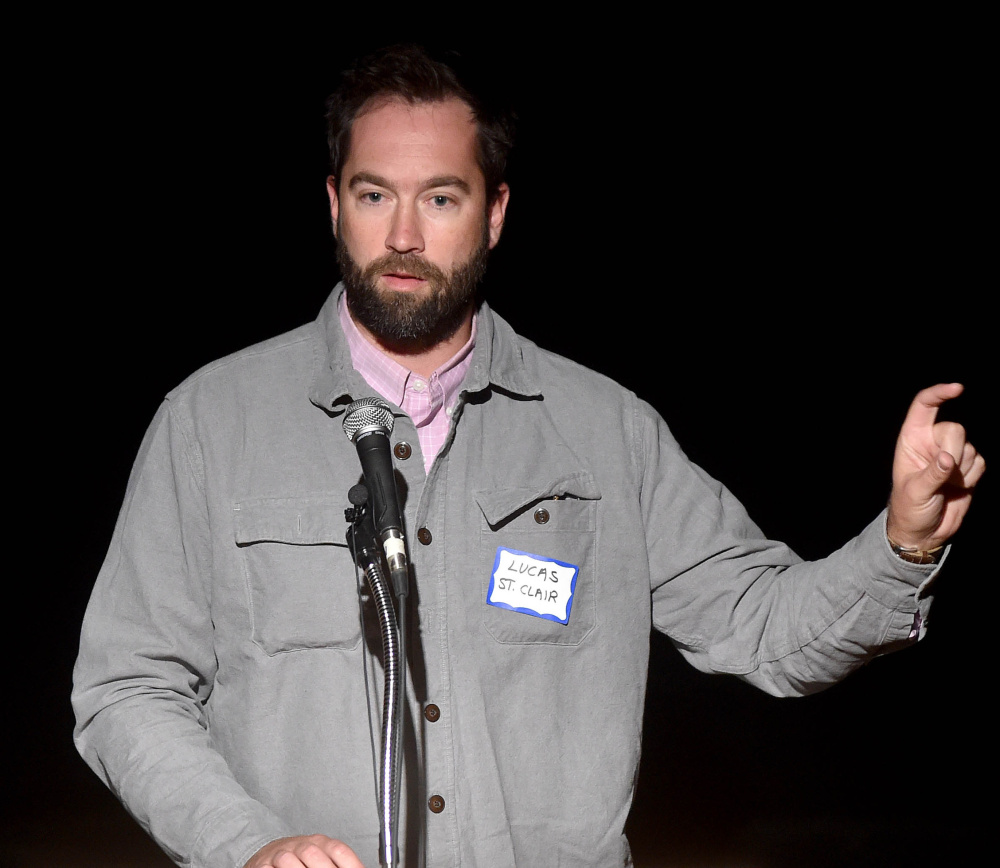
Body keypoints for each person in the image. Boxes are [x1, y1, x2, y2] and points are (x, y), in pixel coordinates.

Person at [72, 44, 984, 868]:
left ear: (496, 212)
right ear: (333, 203)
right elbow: (125, 688)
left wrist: (901, 541)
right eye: (373, 193)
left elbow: (766, 626)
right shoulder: (209, 422)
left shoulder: (605, 430)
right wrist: (248, 845)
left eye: (441, 197)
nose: (403, 235)